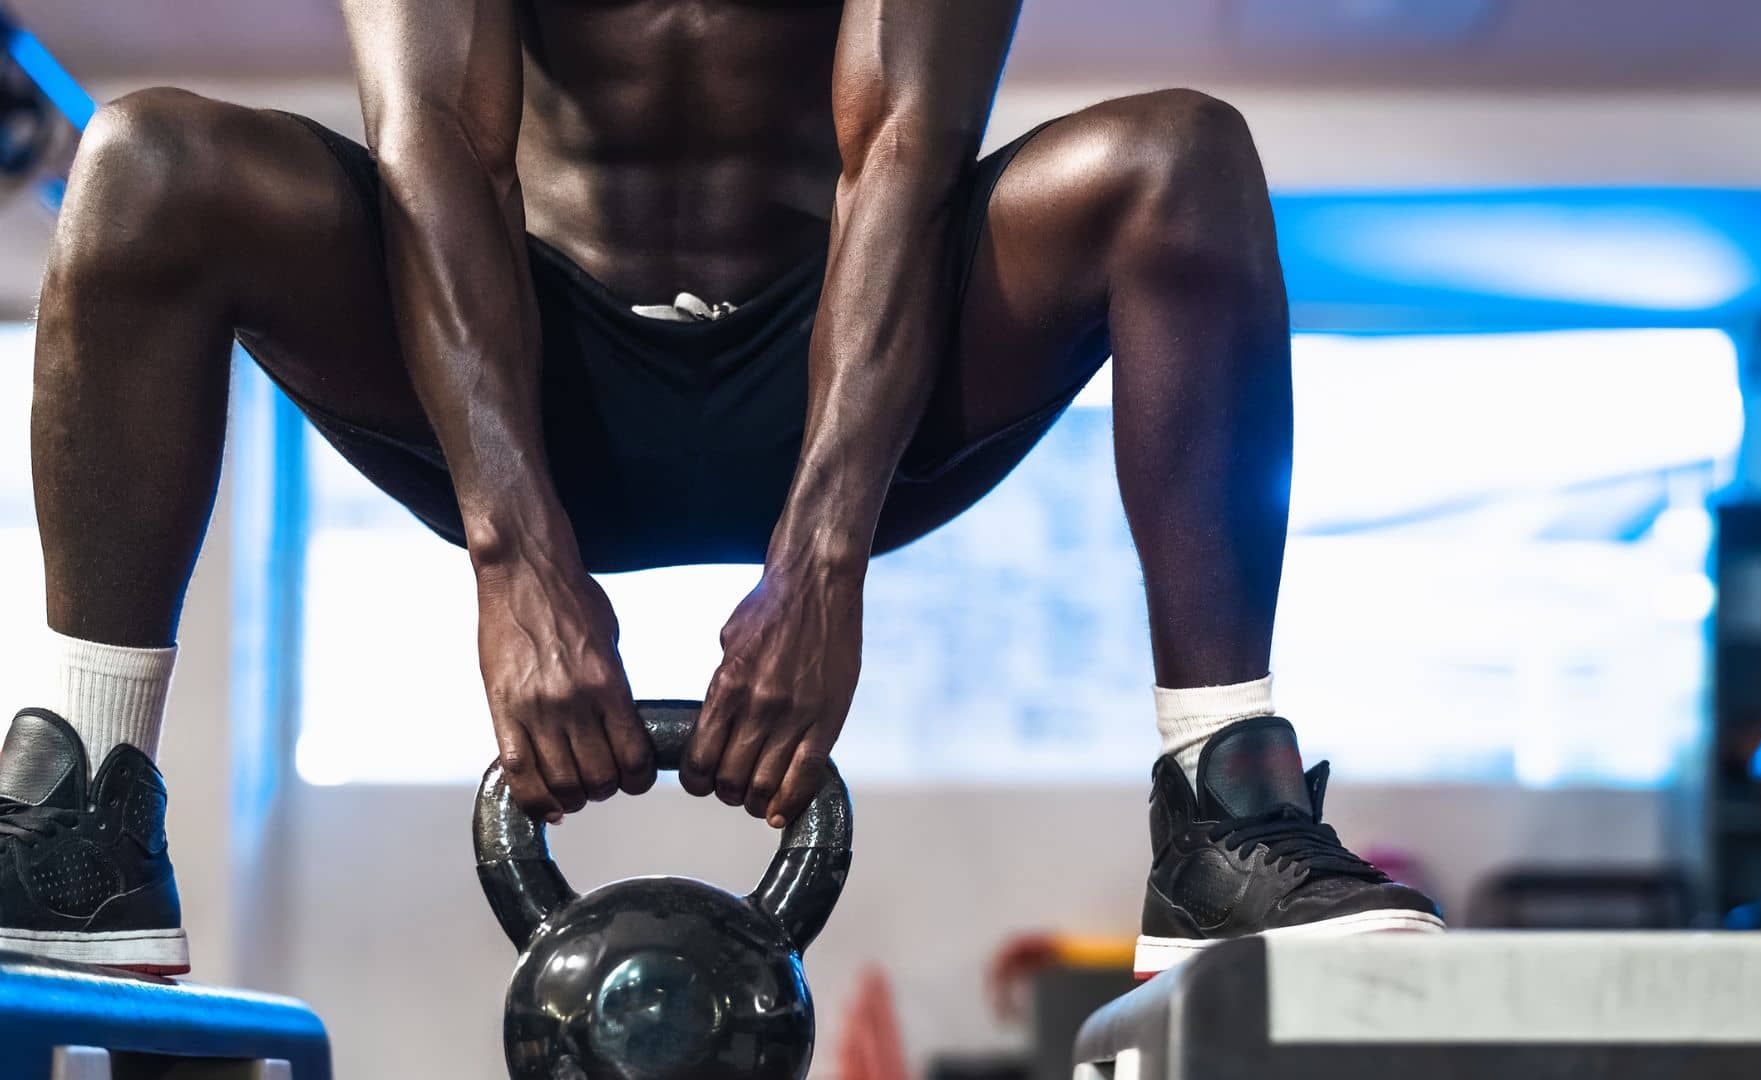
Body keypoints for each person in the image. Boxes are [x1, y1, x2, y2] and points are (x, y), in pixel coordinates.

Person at [1, 0, 1441, 977]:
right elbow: (432, 135)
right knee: (147, 164)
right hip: (514, 377)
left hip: (847, 372)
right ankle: (84, 804)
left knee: (1181, 161)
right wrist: (512, 558)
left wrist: (824, 560)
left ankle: (1221, 804)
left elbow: (904, 148)